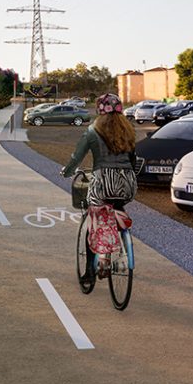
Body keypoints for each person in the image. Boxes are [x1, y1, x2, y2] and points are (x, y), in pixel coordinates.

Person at [60, 93, 138, 281]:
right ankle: (119, 232)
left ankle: (91, 271)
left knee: (94, 219)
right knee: (116, 205)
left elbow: (76, 157)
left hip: (103, 182)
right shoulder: (129, 131)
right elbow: (133, 159)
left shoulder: (93, 131)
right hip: (127, 183)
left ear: (99, 111)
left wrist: (67, 171)